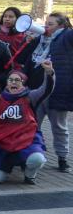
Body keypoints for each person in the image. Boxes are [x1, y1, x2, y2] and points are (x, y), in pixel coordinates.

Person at [19, 12, 73, 172]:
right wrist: (27, 41)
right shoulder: (39, 40)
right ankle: (32, 154)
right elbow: (22, 59)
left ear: (61, 26)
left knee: (59, 127)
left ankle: (62, 158)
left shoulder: (66, 37)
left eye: (50, 24)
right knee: (32, 126)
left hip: (57, 91)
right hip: (36, 91)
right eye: (46, 23)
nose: (46, 27)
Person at [0, 64, 55, 184]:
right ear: (7, 83)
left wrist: (49, 74)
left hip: (26, 140)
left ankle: (29, 174)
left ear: (23, 84)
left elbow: (46, 89)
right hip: (3, 143)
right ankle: (6, 167)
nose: (14, 83)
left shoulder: (30, 97)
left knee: (37, 159)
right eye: (11, 80)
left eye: (18, 80)